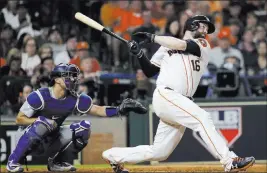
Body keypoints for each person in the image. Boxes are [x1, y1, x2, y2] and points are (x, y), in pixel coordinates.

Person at [102, 15, 255, 173]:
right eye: (202, 26)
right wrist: (139, 54)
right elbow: (149, 71)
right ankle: (229, 161)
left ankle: (113, 155)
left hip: (180, 101)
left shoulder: (202, 44)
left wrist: (153, 37)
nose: (205, 30)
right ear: (192, 25)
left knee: (160, 152)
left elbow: (183, 45)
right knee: (202, 118)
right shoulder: (165, 46)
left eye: (207, 28)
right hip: (166, 95)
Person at [6, 63, 147, 172]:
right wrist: (41, 121)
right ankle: (13, 161)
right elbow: (19, 119)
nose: (73, 79)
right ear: (57, 79)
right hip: (31, 139)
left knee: (84, 127)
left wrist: (120, 109)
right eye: (68, 76)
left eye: (74, 76)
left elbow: (97, 110)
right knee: (43, 123)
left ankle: (57, 162)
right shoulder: (40, 96)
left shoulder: (74, 98)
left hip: (52, 137)